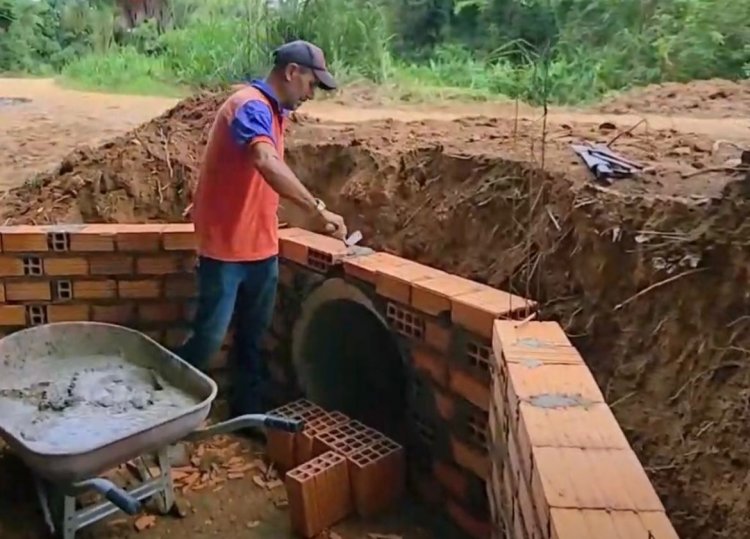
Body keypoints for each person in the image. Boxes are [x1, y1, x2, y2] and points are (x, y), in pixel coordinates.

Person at [176, 40, 348, 420]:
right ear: (291, 72)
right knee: (207, 342)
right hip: (225, 250)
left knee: (252, 342)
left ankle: (246, 414)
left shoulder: (274, 111)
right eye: (310, 84)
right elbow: (265, 161)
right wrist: (317, 210)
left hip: (261, 249)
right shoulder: (249, 106)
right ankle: (166, 415)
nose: (310, 94)